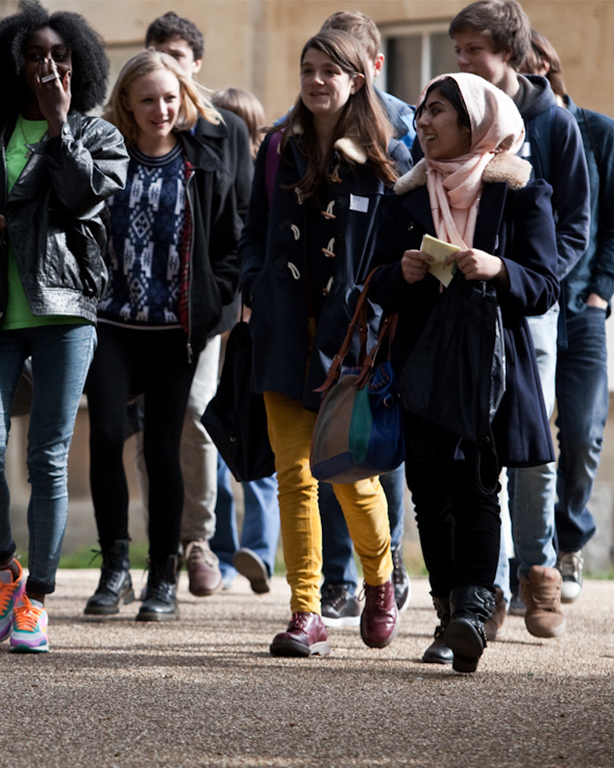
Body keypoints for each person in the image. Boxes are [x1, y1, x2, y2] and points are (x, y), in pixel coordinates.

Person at [0, 1, 127, 652]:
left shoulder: (99, 136)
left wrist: (63, 126)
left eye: (60, 56)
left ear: (79, 66)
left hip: (65, 314)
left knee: (46, 460)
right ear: (12, 65)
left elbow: (83, 198)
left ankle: (37, 597)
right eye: (36, 55)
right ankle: (5, 568)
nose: (47, 65)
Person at [370, 72, 559, 672]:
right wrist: (400, 273)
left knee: (478, 485)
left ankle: (472, 614)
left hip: (488, 364)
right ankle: (448, 610)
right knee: (428, 491)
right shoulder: (403, 195)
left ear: (475, 123)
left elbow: (545, 286)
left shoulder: (521, 190)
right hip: (419, 364)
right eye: (421, 112)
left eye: (438, 112)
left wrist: (498, 268)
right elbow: (371, 287)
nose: (422, 122)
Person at [239, 29, 400, 658]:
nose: (315, 80)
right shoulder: (278, 147)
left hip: (349, 346)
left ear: (357, 80)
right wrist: (253, 283)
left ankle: (379, 583)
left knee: (350, 476)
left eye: (329, 71)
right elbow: (253, 231)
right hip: (281, 337)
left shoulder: (386, 152)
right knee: (293, 476)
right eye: (307, 68)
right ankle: (307, 610)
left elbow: (394, 248)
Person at [449, 0, 589, 638]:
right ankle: (492, 585)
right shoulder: (459, 111)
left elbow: (576, 225)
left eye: (474, 50)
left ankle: (539, 572)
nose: (463, 62)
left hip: (527, 305)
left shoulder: (554, 124)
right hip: (463, 301)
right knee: (473, 439)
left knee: (530, 441)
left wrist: (533, 276)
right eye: (458, 51)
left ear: (510, 53)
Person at [84, 50, 239, 622]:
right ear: (126, 101)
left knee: (162, 448)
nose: (160, 109)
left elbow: (229, 244)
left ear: (184, 99)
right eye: (147, 99)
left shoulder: (204, 162)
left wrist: (213, 299)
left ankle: (162, 578)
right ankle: (114, 570)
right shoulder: (105, 159)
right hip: (111, 326)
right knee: (104, 435)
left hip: (176, 332)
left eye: (170, 98)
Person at [133, 11, 252, 597]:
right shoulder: (132, 133)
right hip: (136, 311)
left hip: (203, 309)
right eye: (156, 56)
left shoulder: (224, 130)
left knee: (196, 412)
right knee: (147, 424)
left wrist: (228, 293)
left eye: (176, 58)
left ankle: (197, 541)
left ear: (196, 66)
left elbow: (243, 217)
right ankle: (160, 543)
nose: (166, 70)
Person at [315, 10, 416, 626]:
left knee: (378, 441)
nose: (326, 78)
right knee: (329, 438)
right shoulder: (299, 131)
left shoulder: (405, 126)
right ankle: (336, 578)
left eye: (342, 64)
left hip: (382, 307)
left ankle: (390, 562)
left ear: (370, 66)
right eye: (317, 65)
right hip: (324, 312)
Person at [523, 30, 614, 616]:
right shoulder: (507, 132)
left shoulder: (597, 133)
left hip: (581, 308)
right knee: (527, 435)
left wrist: (600, 296)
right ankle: (527, 561)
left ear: (542, 65)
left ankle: (569, 546)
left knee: (582, 431)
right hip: (527, 306)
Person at [204, 86, 281, 595]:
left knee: (259, 433)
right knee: (218, 433)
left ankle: (255, 549)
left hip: (252, 323)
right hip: (221, 320)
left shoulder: (271, 176)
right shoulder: (212, 174)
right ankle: (227, 552)